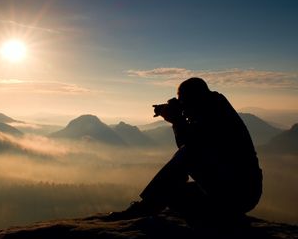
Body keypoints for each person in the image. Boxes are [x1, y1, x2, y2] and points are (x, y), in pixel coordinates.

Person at [109, 77, 262, 225]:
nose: (183, 108)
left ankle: (145, 207)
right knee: (171, 195)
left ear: (196, 99)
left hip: (239, 193)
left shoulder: (214, 115)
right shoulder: (215, 107)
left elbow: (190, 148)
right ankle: (217, 217)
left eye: (184, 102)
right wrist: (178, 113)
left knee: (187, 153)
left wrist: (176, 120)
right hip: (236, 189)